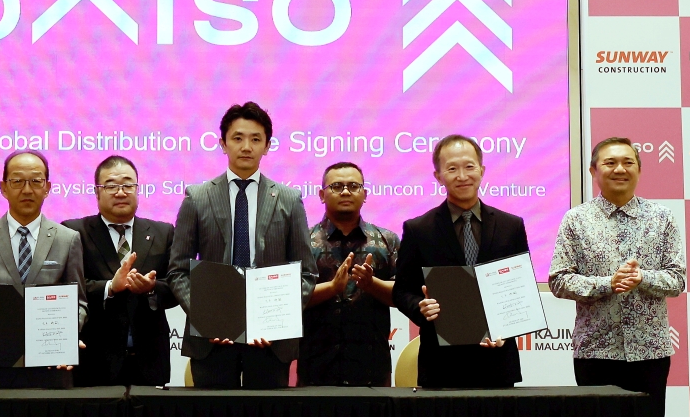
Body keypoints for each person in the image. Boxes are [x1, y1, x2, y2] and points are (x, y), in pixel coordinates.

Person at [549, 136, 684, 417]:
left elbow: (677, 280)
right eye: (610, 163)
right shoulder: (576, 220)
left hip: (649, 354)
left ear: (639, 169)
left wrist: (642, 278)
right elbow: (558, 281)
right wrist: (607, 283)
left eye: (628, 162)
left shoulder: (661, 217)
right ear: (594, 170)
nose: (619, 169)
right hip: (595, 353)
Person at [168, 101, 317, 389]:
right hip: (212, 340)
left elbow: (306, 274)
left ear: (267, 146)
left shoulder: (289, 199)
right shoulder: (197, 198)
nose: (246, 146)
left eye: (255, 139)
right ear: (222, 143)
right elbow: (177, 271)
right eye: (237, 138)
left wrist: (274, 321)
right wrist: (209, 318)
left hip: (270, 342)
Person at [392, 134, 528, 388]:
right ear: (438, 176)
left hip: (497, 360)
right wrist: (419, 307)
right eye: (452, 168)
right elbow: (402, 291)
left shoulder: (511, 226)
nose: (462, 175)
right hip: (441, 365)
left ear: (482, 170)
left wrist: (506, 329)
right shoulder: (419, 229)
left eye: (469, 166)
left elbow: (520, 290)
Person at [0, 150, 87, 388]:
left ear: (48, 187)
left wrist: (65, 335)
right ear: (3, 187)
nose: (27, 190)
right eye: (17, 181)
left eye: (36, 181)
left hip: (49, 372)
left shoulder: (68, 239)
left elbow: (79, 302)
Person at [62, 155, 175, 386]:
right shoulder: (73, 233)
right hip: (93, 361)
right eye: (111, 185)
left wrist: (152, 288)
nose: (121, 192)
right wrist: (109, 288)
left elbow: (178, 285)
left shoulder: (163, 233)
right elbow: (67, 287)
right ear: (97, 192)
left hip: (150, 360)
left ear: (137, 189)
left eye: (128, 185)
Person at [299, 162, 399, 386]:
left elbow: (405, 295)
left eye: (353, 186)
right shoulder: (302, 241)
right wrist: (332, 289)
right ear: (322, 194)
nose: (345, 191)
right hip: (316, 368)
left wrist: (372, 284)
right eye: (336, 186)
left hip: (372, 371)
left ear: (364, 194)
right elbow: (288, 299)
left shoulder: (387, 241)